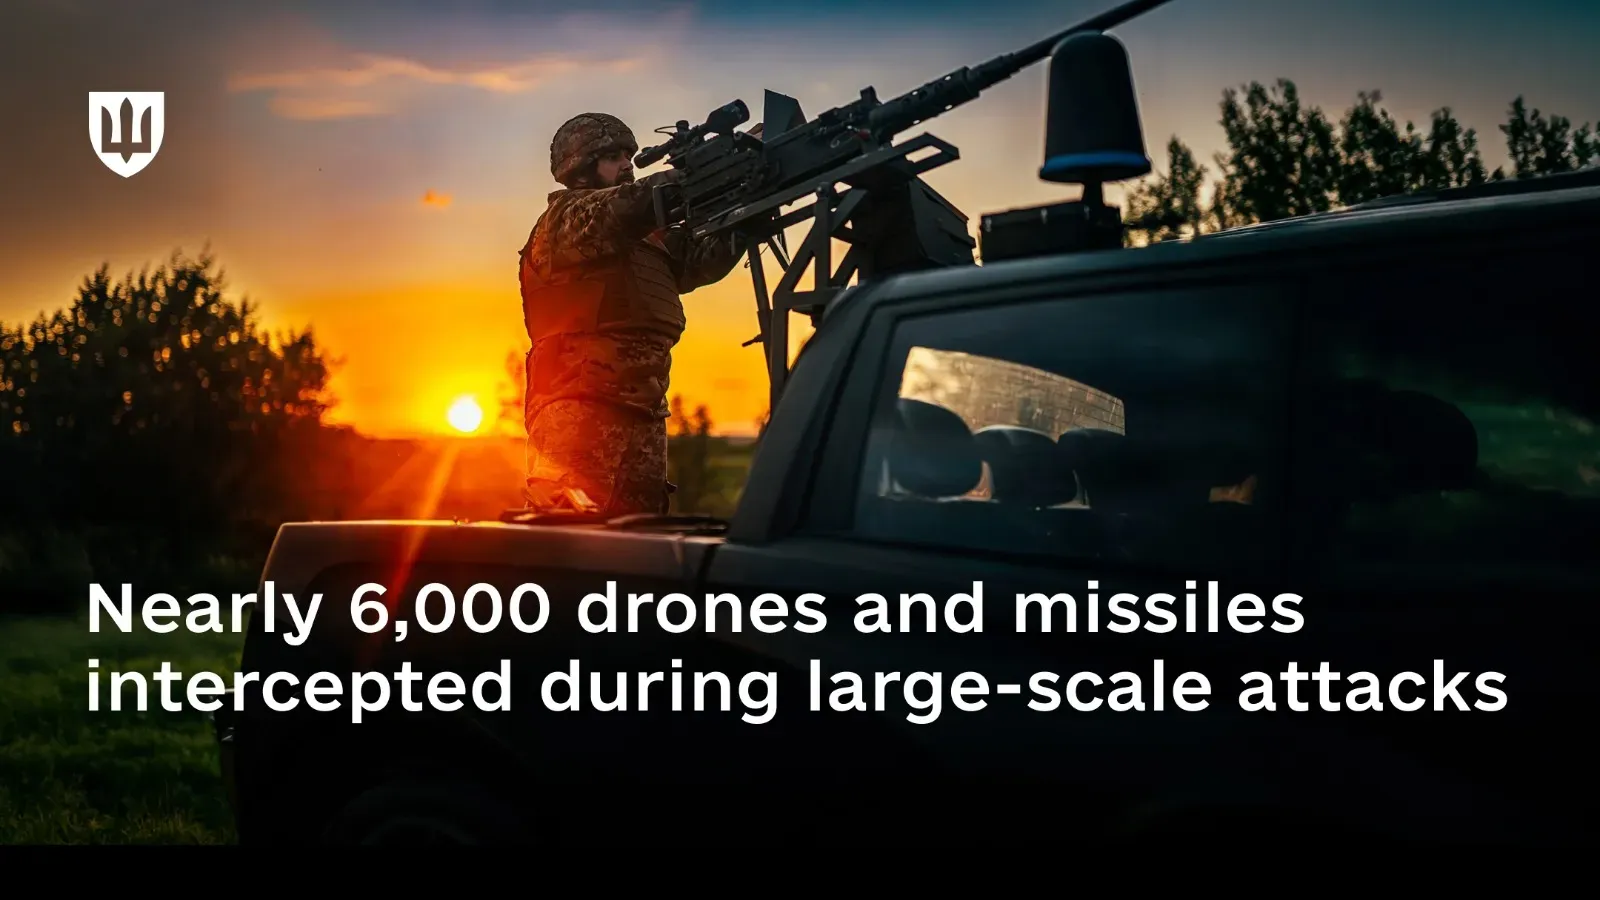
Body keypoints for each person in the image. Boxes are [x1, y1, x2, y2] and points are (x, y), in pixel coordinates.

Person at [516, 112, 746, 516]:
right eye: (612, 156)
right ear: (580, 167)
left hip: (644, 412)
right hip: (580, 411)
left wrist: (743, 205)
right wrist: (691, 177)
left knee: (639, 534)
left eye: (628, 155)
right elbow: (627, 206)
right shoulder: (566, 220)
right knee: (570, 533)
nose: (626, 164)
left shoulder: (646, 240)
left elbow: (701, 261)